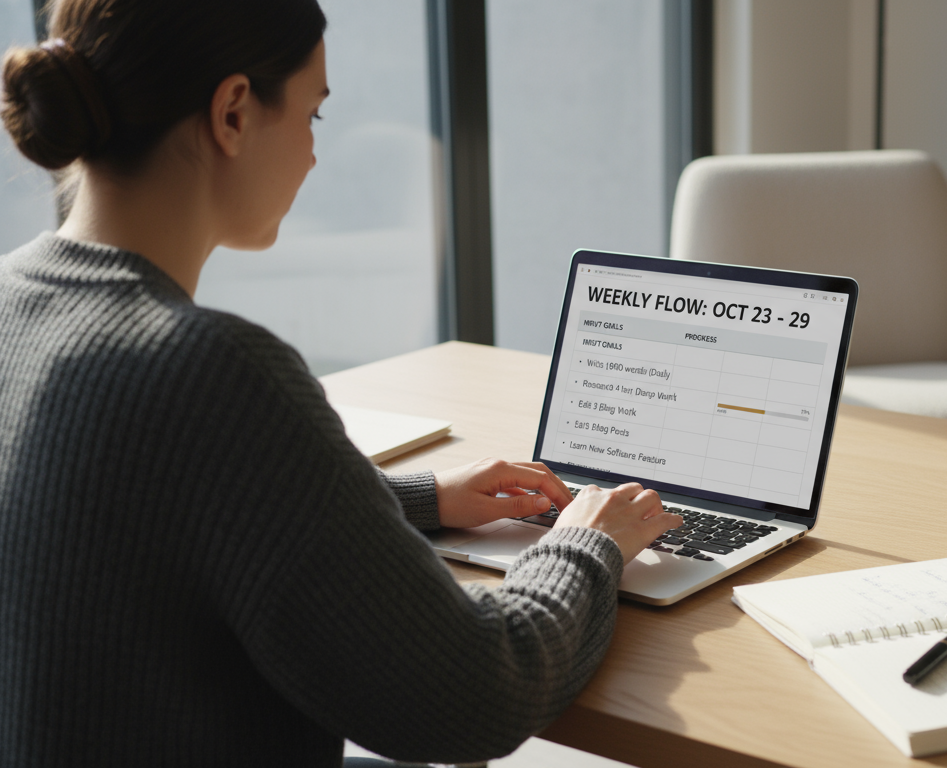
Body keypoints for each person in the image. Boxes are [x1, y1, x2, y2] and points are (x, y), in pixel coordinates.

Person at [0, 1, 681, 765]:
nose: (316, 155)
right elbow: (475, 695)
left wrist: (418, 499)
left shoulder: (12, 299)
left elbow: (149, 506)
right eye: (313, 116)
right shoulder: (213, 372)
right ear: (232, 113)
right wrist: (586, 545)